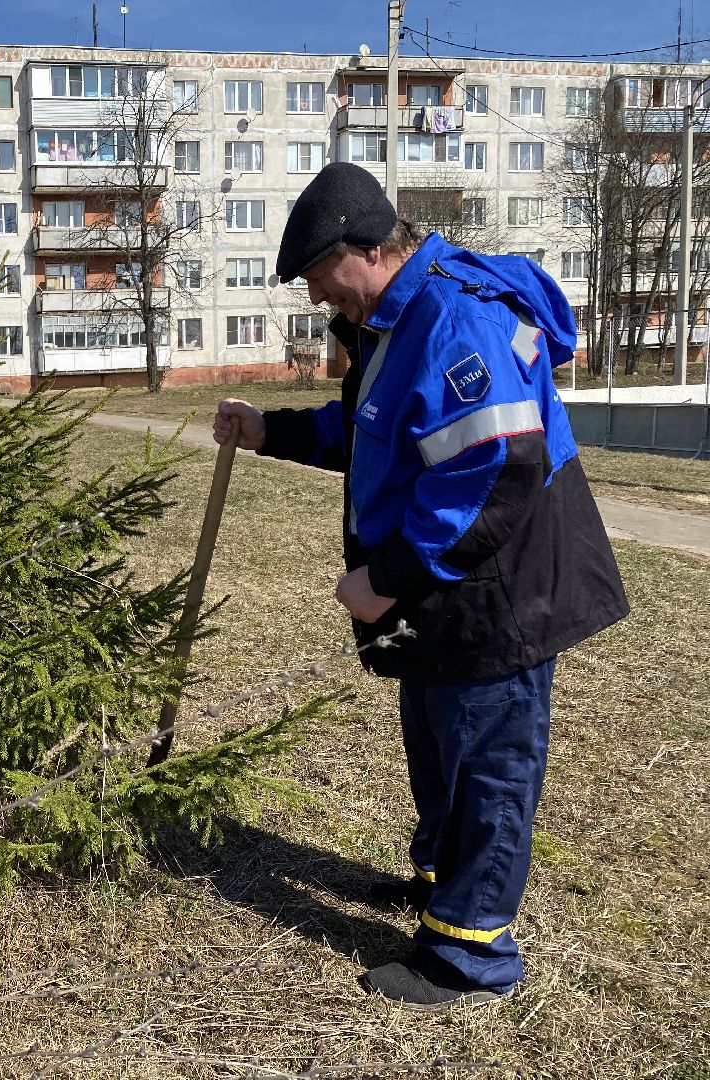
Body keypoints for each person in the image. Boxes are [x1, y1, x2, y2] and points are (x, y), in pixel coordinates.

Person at [214, 162, 628, 1012]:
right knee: (439, 742)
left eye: (325, 280)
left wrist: (386, 577)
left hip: (498, 589)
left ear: (367, 249)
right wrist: (270, 431)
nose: (325, 301)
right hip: (447, 590)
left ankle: (469, 953)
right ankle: (442, 883)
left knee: (487, 760)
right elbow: (373, 431)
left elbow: (495, 469)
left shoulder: (453, 319)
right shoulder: (394, 322)